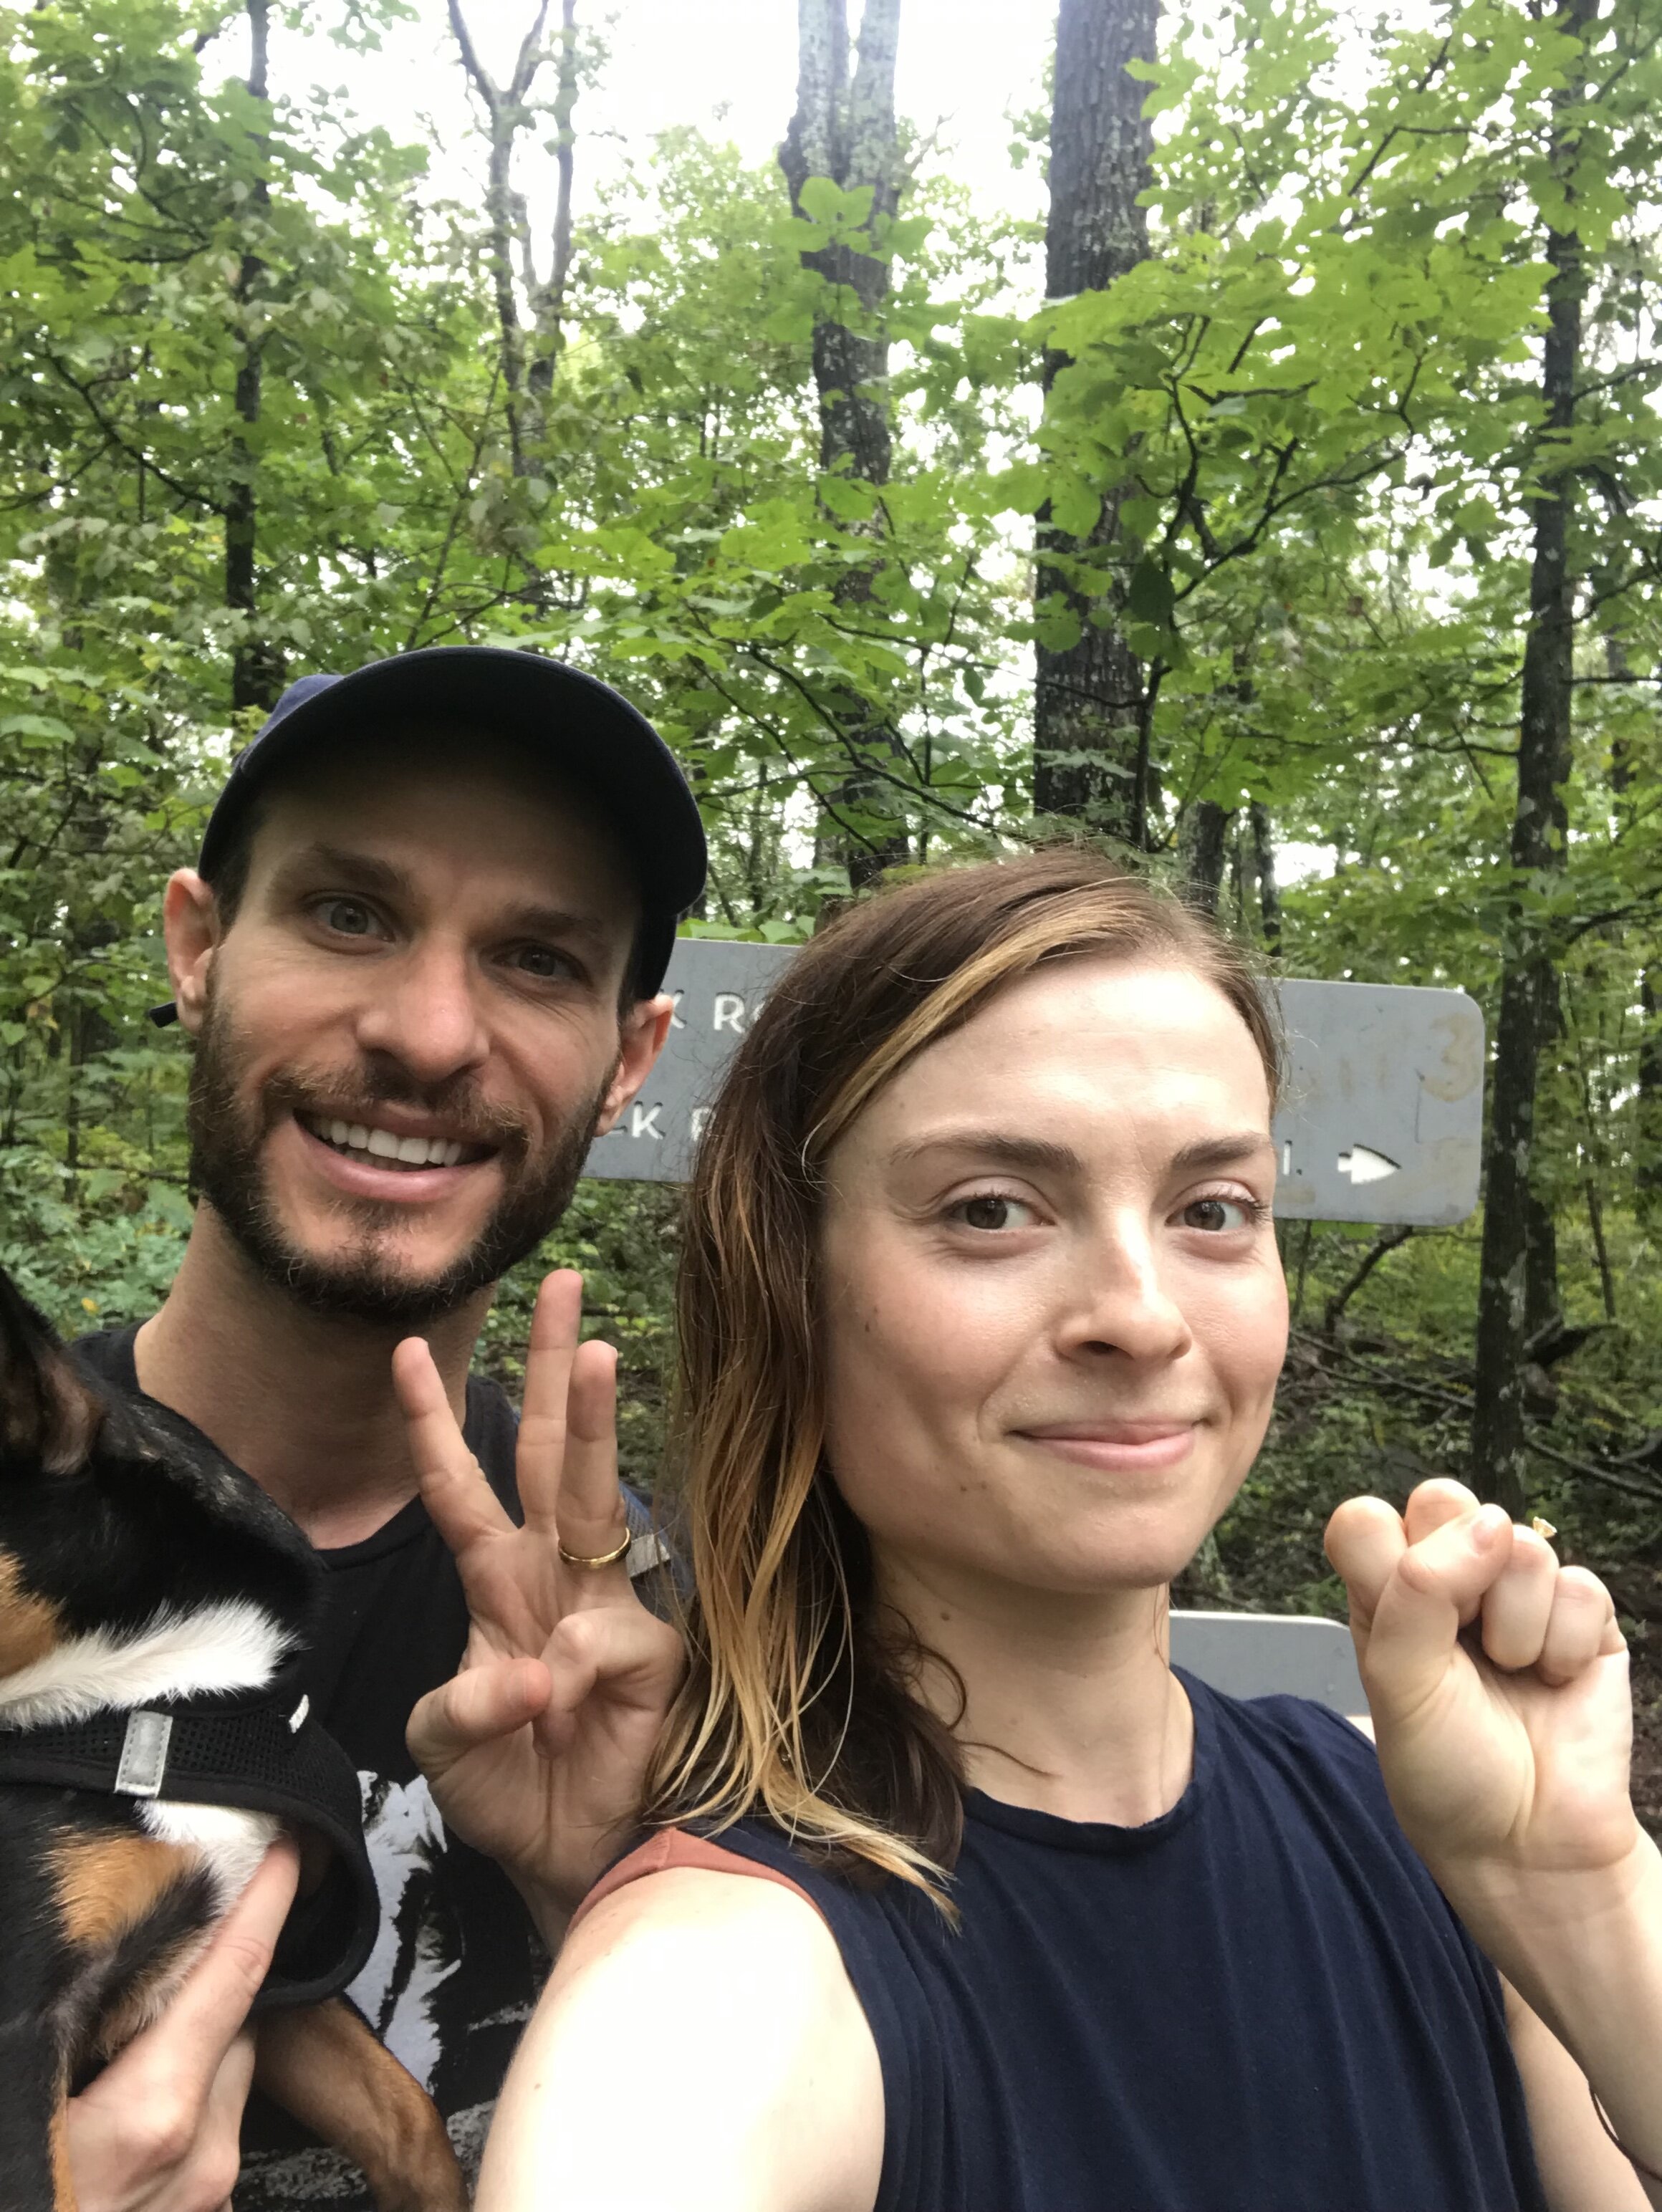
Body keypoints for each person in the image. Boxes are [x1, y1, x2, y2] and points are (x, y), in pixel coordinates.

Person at [423, 849, 1662, 2211]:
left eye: (1213, 1210)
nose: (1141, 1313)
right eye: (992, 1210)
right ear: (791, 1291)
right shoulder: (719, 1985)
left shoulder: (1435, 1828)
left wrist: (1581, 1897)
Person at [62, 645, 698, 2209]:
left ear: (627, 1058)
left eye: (539, 958)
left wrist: (613, 1889)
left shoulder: (677, 1642)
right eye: (348, 914)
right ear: (198, 943)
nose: (426, 1031)